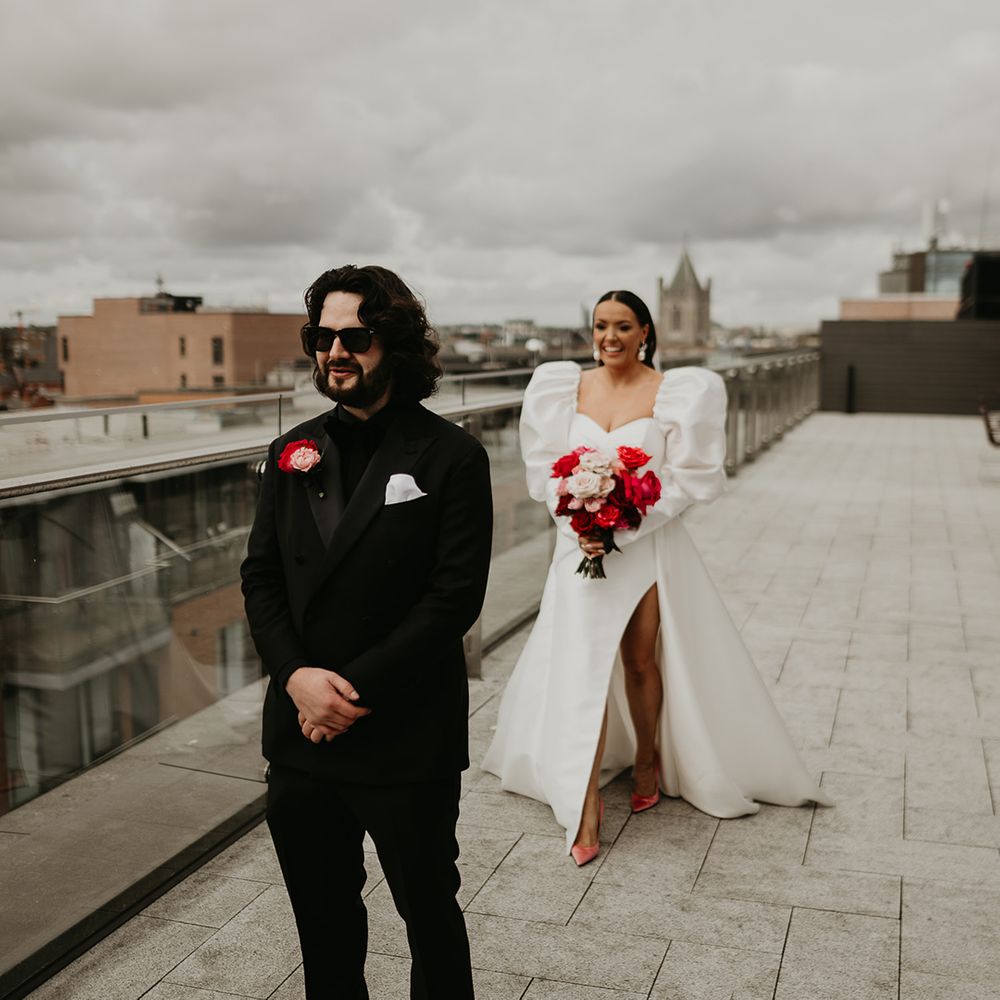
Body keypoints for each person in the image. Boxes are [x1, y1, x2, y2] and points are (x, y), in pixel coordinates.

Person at [482, 289, 830, 865]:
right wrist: (579, 526)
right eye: (599, 326)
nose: (608, 338)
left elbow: (690, 481)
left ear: (645, 331)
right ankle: (585, 803)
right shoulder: (559, 389)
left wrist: (622, 528)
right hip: (578, 549)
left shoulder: (677, 392)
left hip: (645, 546)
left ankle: (648, 757)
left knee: (640, 660)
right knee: (584, 668)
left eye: (622, 326)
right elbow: (546, 474)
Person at [240, 264, 493, 999]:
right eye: (323, 336)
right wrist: (295, 680)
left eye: (356, 336)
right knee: (321, 926)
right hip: (300, 737)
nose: (335, 352)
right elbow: (261, 578)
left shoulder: (452, 456)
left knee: (428, 917)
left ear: (399, 343)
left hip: (404, 731)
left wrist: (348, 693)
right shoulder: (291, 451)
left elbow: (454, 600)